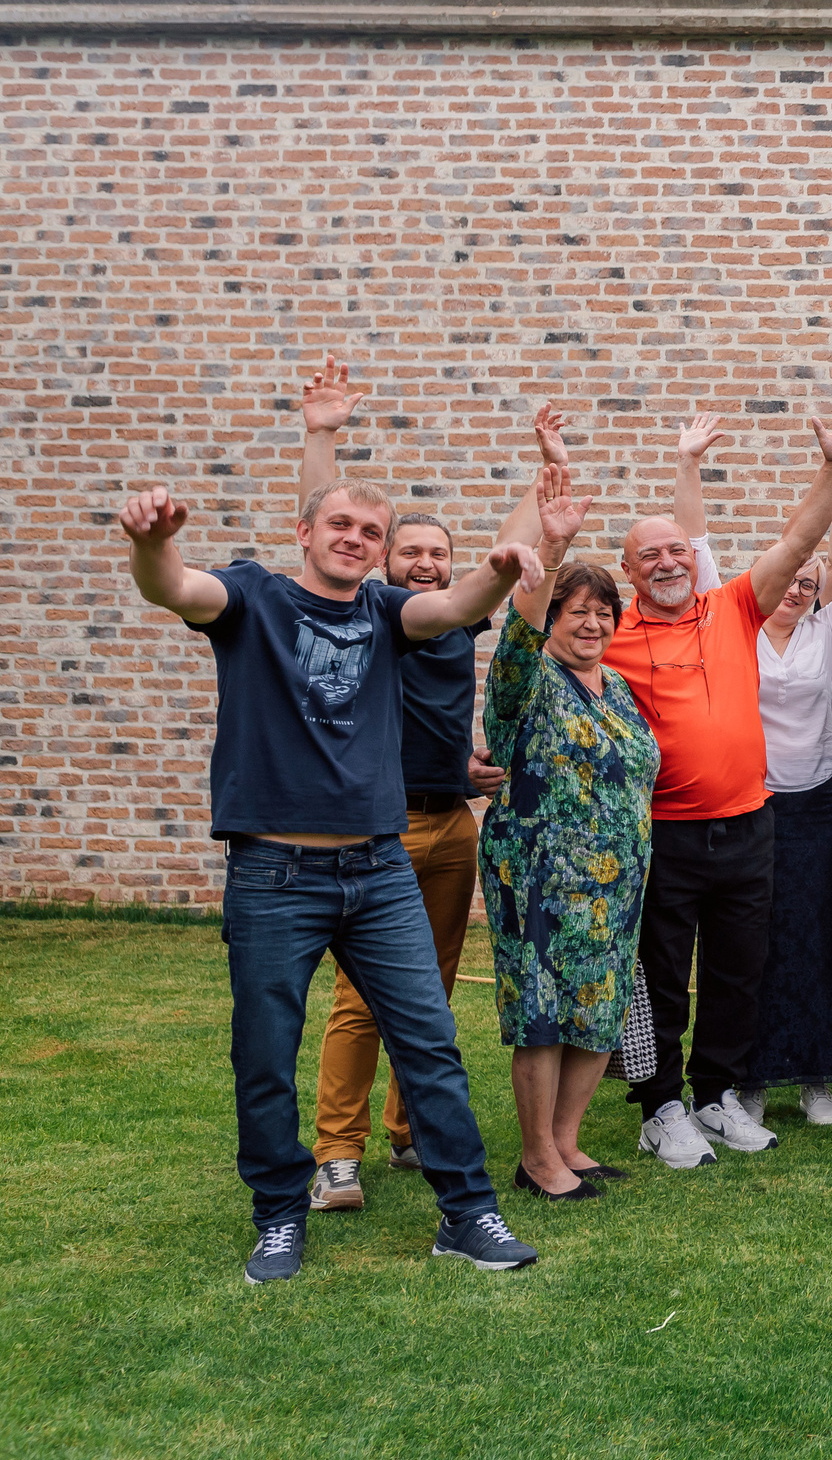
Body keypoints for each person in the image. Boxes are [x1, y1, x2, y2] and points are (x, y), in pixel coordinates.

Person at [119, 475, 539, 1281]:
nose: (355, 538)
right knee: (266, 1053)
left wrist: (500, 569)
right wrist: (151, 542)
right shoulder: (253, 599)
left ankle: (468, 1212)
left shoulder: (386, 613)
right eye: (340, 524)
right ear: (303, 531)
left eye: (370, 531)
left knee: (430, 1044)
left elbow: (451, 609)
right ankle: (279, 1217)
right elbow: (172, 585)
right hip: (275, 872)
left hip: (377, 867)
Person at [298, 361, 552, 1211]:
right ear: (385, 562)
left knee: (430, 985)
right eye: (410, 551)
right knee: (361, 997)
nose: (426, 564)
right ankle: (337, 1152)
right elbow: (327, 515)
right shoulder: (367, 615)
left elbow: (508, 557)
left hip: (453, 824)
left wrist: (540, 468)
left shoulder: (451, 619)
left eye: (438, 554)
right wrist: (323, 436)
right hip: (379, 831)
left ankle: (409, 1131)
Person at [606, 397, 832, 1169]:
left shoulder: (729, 608)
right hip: (667, 832)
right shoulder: (615, 637)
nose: (667, 562)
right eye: (649, 555)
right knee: (665, 972)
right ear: (630, 570)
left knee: (739, 968)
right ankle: (660, 1106)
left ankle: (714, 1093)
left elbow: (801, 541)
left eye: (675, 550)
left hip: (749, 823)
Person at [667, 415, 832, 1131]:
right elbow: (695, 547)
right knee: (753, 947)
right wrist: (689, 463)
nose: (796, 588)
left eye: (808, 581)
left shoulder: (829, 627)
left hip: (822, 807)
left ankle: (817, 1074)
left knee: (822, 941)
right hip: (754, 807)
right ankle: (751, 1075)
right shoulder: (728, 620)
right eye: (788, 578)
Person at [477, 470, 659, 1199]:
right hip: (541, 880)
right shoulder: (527, 679)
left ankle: (567, 1141)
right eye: (574, 611)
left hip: (616, 884)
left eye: (602, 611)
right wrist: (551, 546)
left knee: (599, 1007)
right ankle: (535, 1158)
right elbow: (516, 631)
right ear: (550, 616)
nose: (591, 623)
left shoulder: (615, 686)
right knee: (543, 1016)